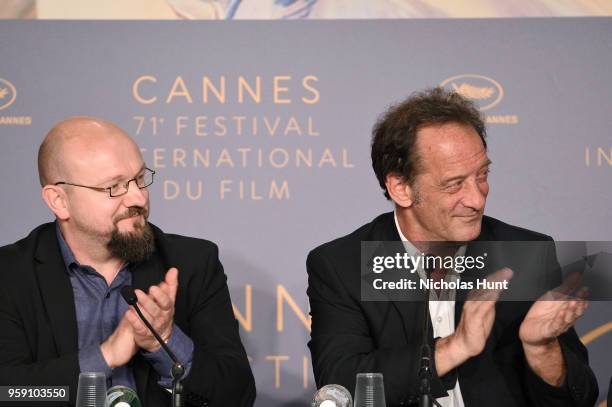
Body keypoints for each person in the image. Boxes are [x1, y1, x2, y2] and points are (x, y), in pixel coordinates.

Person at [306, 88, 598, 406]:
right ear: (401, 188)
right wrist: (455, 347)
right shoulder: (342, 265)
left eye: (482, 175)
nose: (476, 198)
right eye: (455, 184)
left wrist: (542, 349)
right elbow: (342, 388)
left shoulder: (525, 252)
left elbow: (578, 399)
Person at [0, 117, 255, 407]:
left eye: (139, 179)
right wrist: (106, 354)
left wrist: (166, 341)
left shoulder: (192, 263)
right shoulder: (10, 275)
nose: (138, 197)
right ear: (59, 200)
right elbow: (8, 393)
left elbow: (237, 396)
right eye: (114, 187)